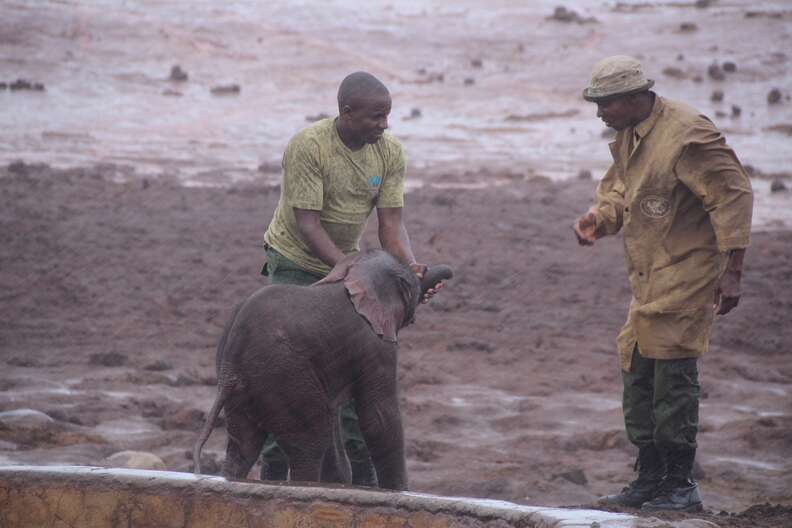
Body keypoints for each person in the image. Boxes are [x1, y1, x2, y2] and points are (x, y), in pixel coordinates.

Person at [573, 56, 753, 512]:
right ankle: (649, 478)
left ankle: (679, 484)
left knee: (672, 375)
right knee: (636, 367)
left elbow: (733, 194)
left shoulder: (688, 133)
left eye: (606, 105)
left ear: (636, 97)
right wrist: (599, 218)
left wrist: (733, 271)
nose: (600, 115)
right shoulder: (630, 134)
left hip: (688, 271)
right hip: (649, 275)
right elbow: (619, 190)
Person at [259, 71, 440, 485]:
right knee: (285, 371)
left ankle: (363, 482)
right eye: (376, 117)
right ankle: (272, 475)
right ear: (346, 113)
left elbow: (390, 226)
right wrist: (343, 265)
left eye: (387, 116)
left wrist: (410, 270)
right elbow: (307, 223)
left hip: (348, 261)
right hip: (294, 261)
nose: (384, 124)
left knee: (357, 368)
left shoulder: (389, 153)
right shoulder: (310, 146)